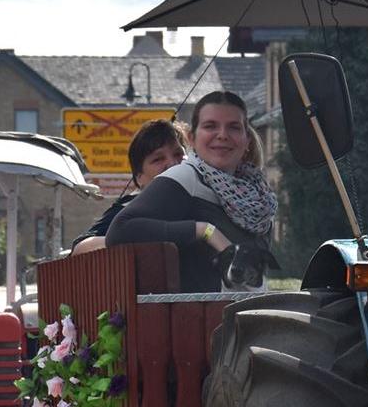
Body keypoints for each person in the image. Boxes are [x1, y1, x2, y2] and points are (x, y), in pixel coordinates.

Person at [105, 91, 275, 291]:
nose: (222, 135)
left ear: (247, 140)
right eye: (210, 126)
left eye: (234, 127)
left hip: (252, 315)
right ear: (192, 139)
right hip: (204, 318)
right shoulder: (186, 177)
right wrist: (205, 231)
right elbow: (120, 231)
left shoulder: (259, 199)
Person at [71, 118, 188, 255]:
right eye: (158, 159)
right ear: (139, 177)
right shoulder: (128, 208)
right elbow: (80, 249)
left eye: (178, 154)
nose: (172, 163)